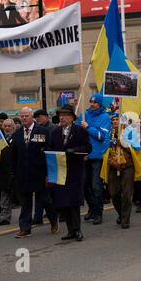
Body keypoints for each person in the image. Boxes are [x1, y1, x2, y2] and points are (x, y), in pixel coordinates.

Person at [11, 107, 58, 238]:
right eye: (22, 116)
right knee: (25, 202)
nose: (24, 118)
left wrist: (49, 172)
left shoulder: (42, 131)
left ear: (32, 117)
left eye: (26, 116)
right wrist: (13, 173)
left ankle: (53, 220)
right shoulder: (17, 134)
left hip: (39, 172)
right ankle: (25, 228)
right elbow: (14, 156)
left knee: (44, 199)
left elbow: (49, 150)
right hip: (23, 173)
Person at [49, 105, 91, 241]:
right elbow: (50, 147)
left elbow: (87, 147)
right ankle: (70, 230)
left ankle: (77, 230)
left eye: (65, 115)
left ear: (72, 118)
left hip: (74, 170)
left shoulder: (80, 131)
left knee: (73, 202)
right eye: (60, 115)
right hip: (60, 171)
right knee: (63, 202)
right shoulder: (55, 132)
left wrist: (74, 150)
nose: (62, 117)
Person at [78, 93, 111, 225]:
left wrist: (88, 128)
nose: (92, 104)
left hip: (97, 156)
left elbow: (101, 136)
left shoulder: (105, 117)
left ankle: (98, 212)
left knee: (96, 186)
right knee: (85, 186)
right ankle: (92, 208)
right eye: (91, 102)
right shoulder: (84, 115)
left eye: (95, 102)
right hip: (84, 155)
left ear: (100, 104)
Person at [0, 119, 15, 226]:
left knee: (22, 198)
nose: (6, 128)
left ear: (13, 127)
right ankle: (4, 218)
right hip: (3, 172)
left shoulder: (16, 138)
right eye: (5, 126)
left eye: (9, 126)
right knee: (4, 196)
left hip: (14, 172)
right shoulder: (1, 139)